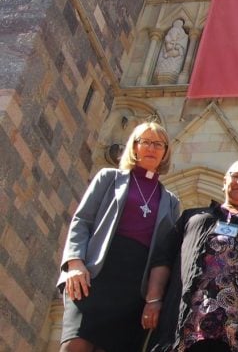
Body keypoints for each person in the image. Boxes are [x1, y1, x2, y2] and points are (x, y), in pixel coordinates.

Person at [144, 158, 238, 352]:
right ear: (224, 181)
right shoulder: (193, 217)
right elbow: (163, 259)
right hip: (188, 324)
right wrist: (153, 300)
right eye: (236, 176)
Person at [57, 121, 181, 352]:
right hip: (93, 276)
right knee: (75, 344)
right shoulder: (109, 178)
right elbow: (82, 221)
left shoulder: (171, 202)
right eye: (145, 142)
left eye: (158, 144)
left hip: (133, 289)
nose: (151, 148)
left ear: (165, 152)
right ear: (134, 146)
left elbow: (163, 255)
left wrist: (154, 298)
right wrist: (75, 263)